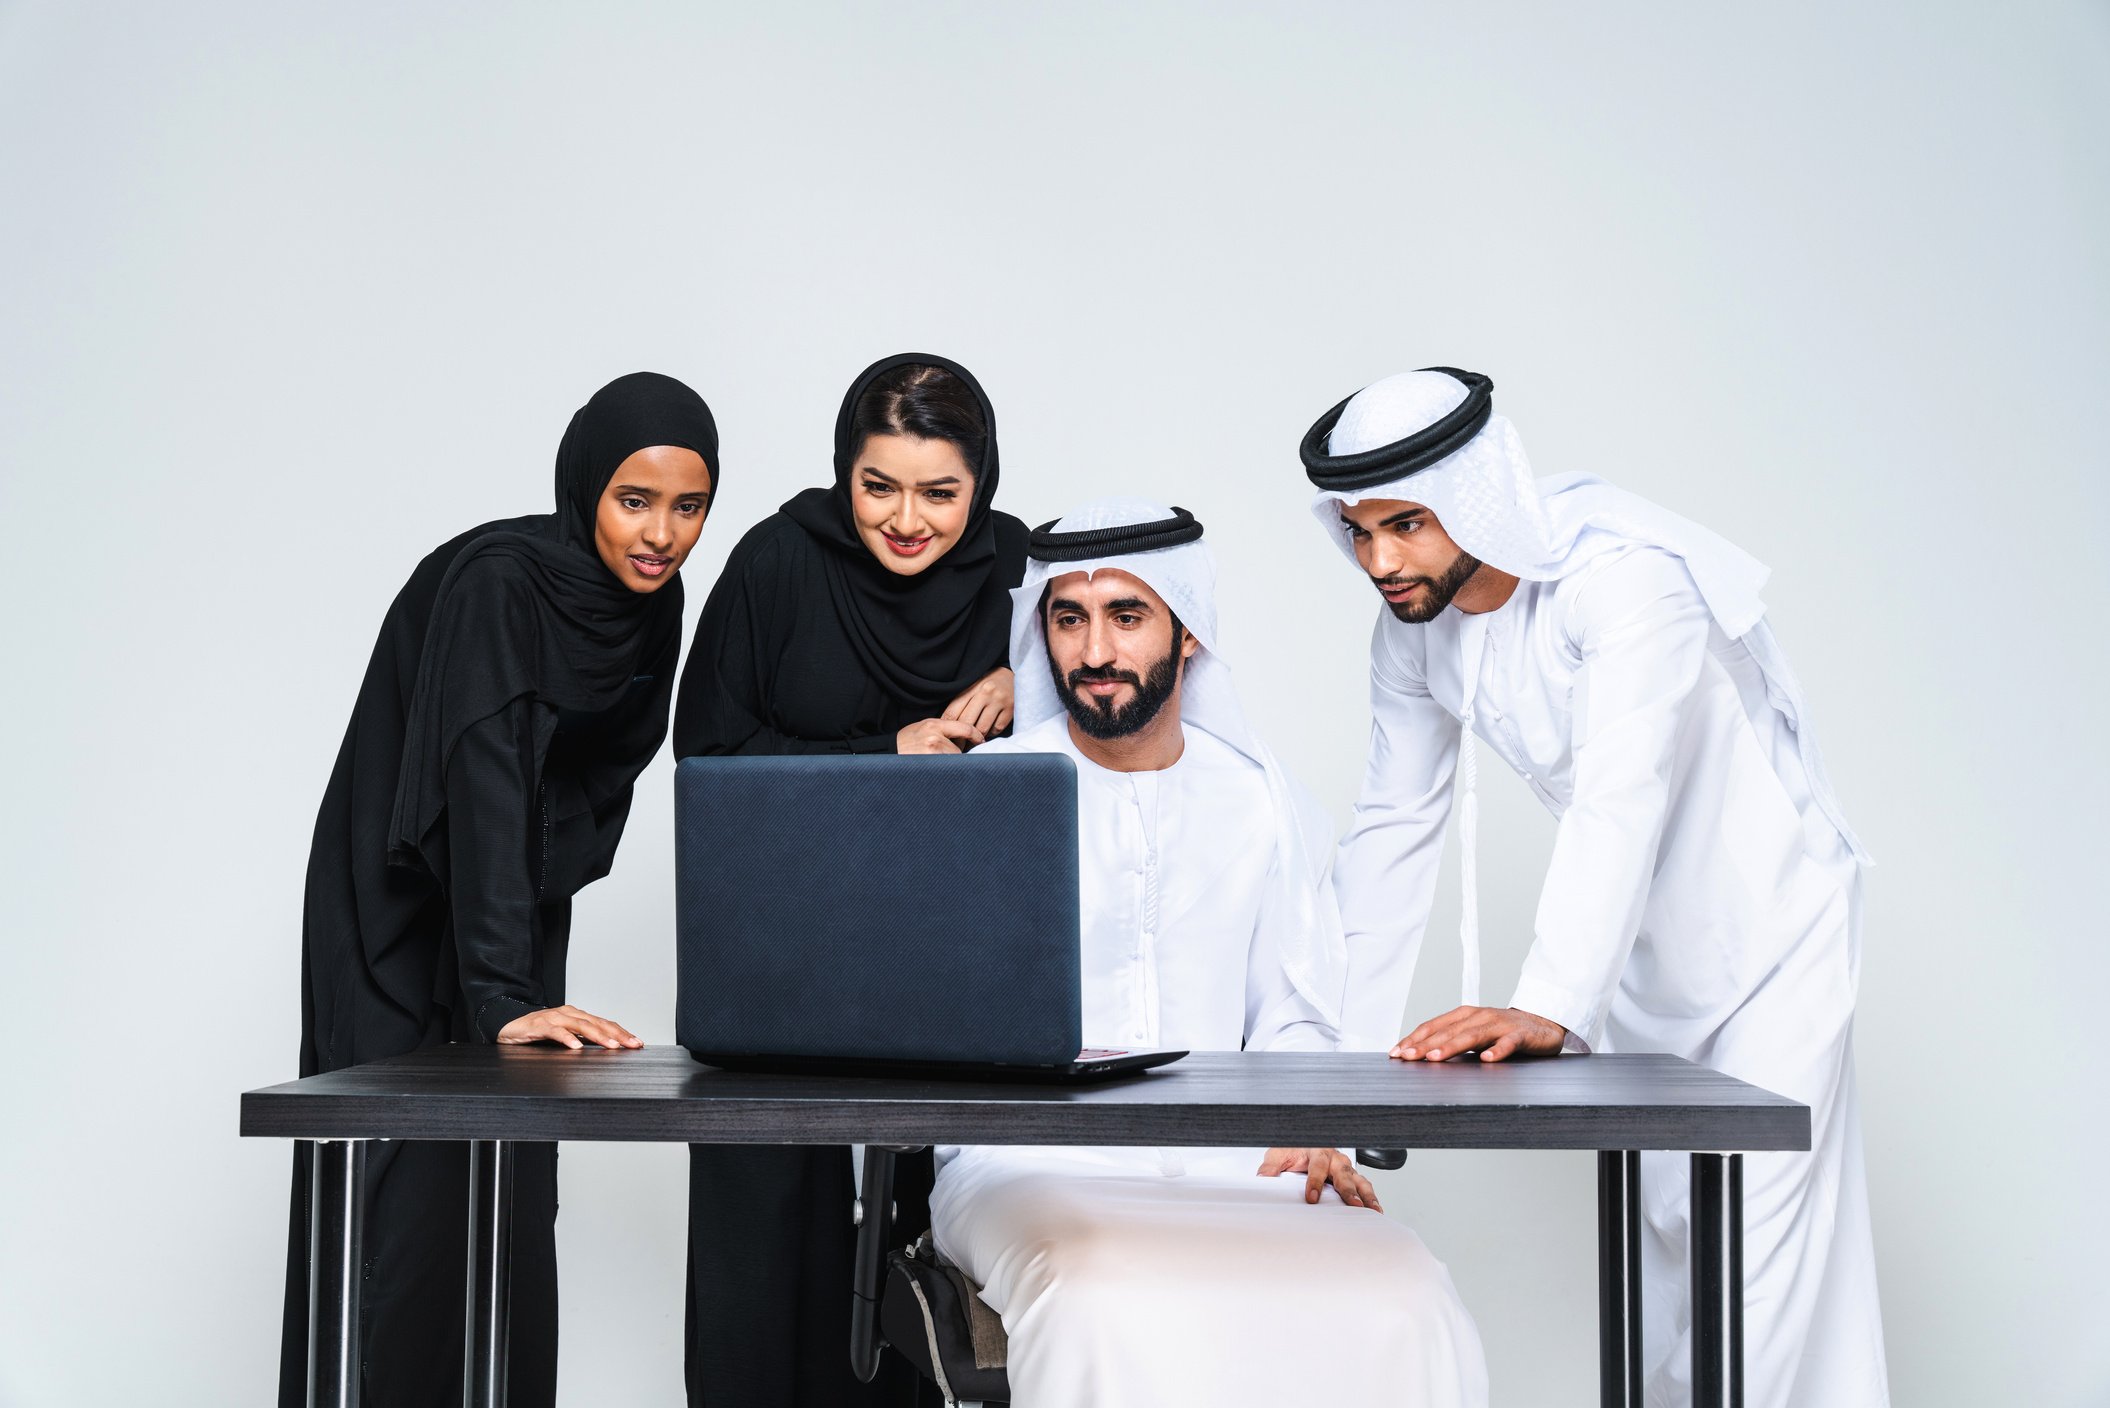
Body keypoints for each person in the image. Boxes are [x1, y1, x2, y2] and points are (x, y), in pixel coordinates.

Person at [1305, 368, 1887, 1407]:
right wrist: (1336, 1081)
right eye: (1358, 530)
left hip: (1772, 948)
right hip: (1634, 969)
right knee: (1673, 1290)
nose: (1379, 560)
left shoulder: (1624, 584)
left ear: (1475, 498)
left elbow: (1620, 794)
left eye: (1406, 523)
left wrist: (1546, 1006)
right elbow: (1393, 830)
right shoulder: (1411, 630)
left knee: (1750, 1293)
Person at [933, 497, 1488, 1408]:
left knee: (1405, 1293)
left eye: (1127, 616)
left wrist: (1311, 1123)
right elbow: (926, 1026)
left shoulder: (1259, 802)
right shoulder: (976, 801)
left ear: (1187, 633)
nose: (1096, 651)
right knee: (1102, 1295)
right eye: (1068, 620)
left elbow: (1295, 1010)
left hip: (1239, 1159)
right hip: (1027, 1162)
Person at [279, 372, 720, 1408]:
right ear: (584, 487)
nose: (661, 534)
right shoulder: (502, 582)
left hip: (508, 912)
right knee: (402, 1211)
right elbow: (479, 769)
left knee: (509, 1200)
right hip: (396, 913)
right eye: (634, 500)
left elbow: (582, 783)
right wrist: (500, 996)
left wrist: (513, 974)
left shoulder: (651, 607)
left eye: (689, 506)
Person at [673, 354, 1026, 1406]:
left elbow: (1107, 711)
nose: (906, 519)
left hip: (948, 964)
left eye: (939, 492)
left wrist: (1031, 677)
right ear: (843, 473)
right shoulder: (777, 562)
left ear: (983, 484)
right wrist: (887, 752)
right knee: (762, 1242)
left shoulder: (1022, 574)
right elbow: (706, 757)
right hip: (777, 951)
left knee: (928, 1249)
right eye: (878, 486)